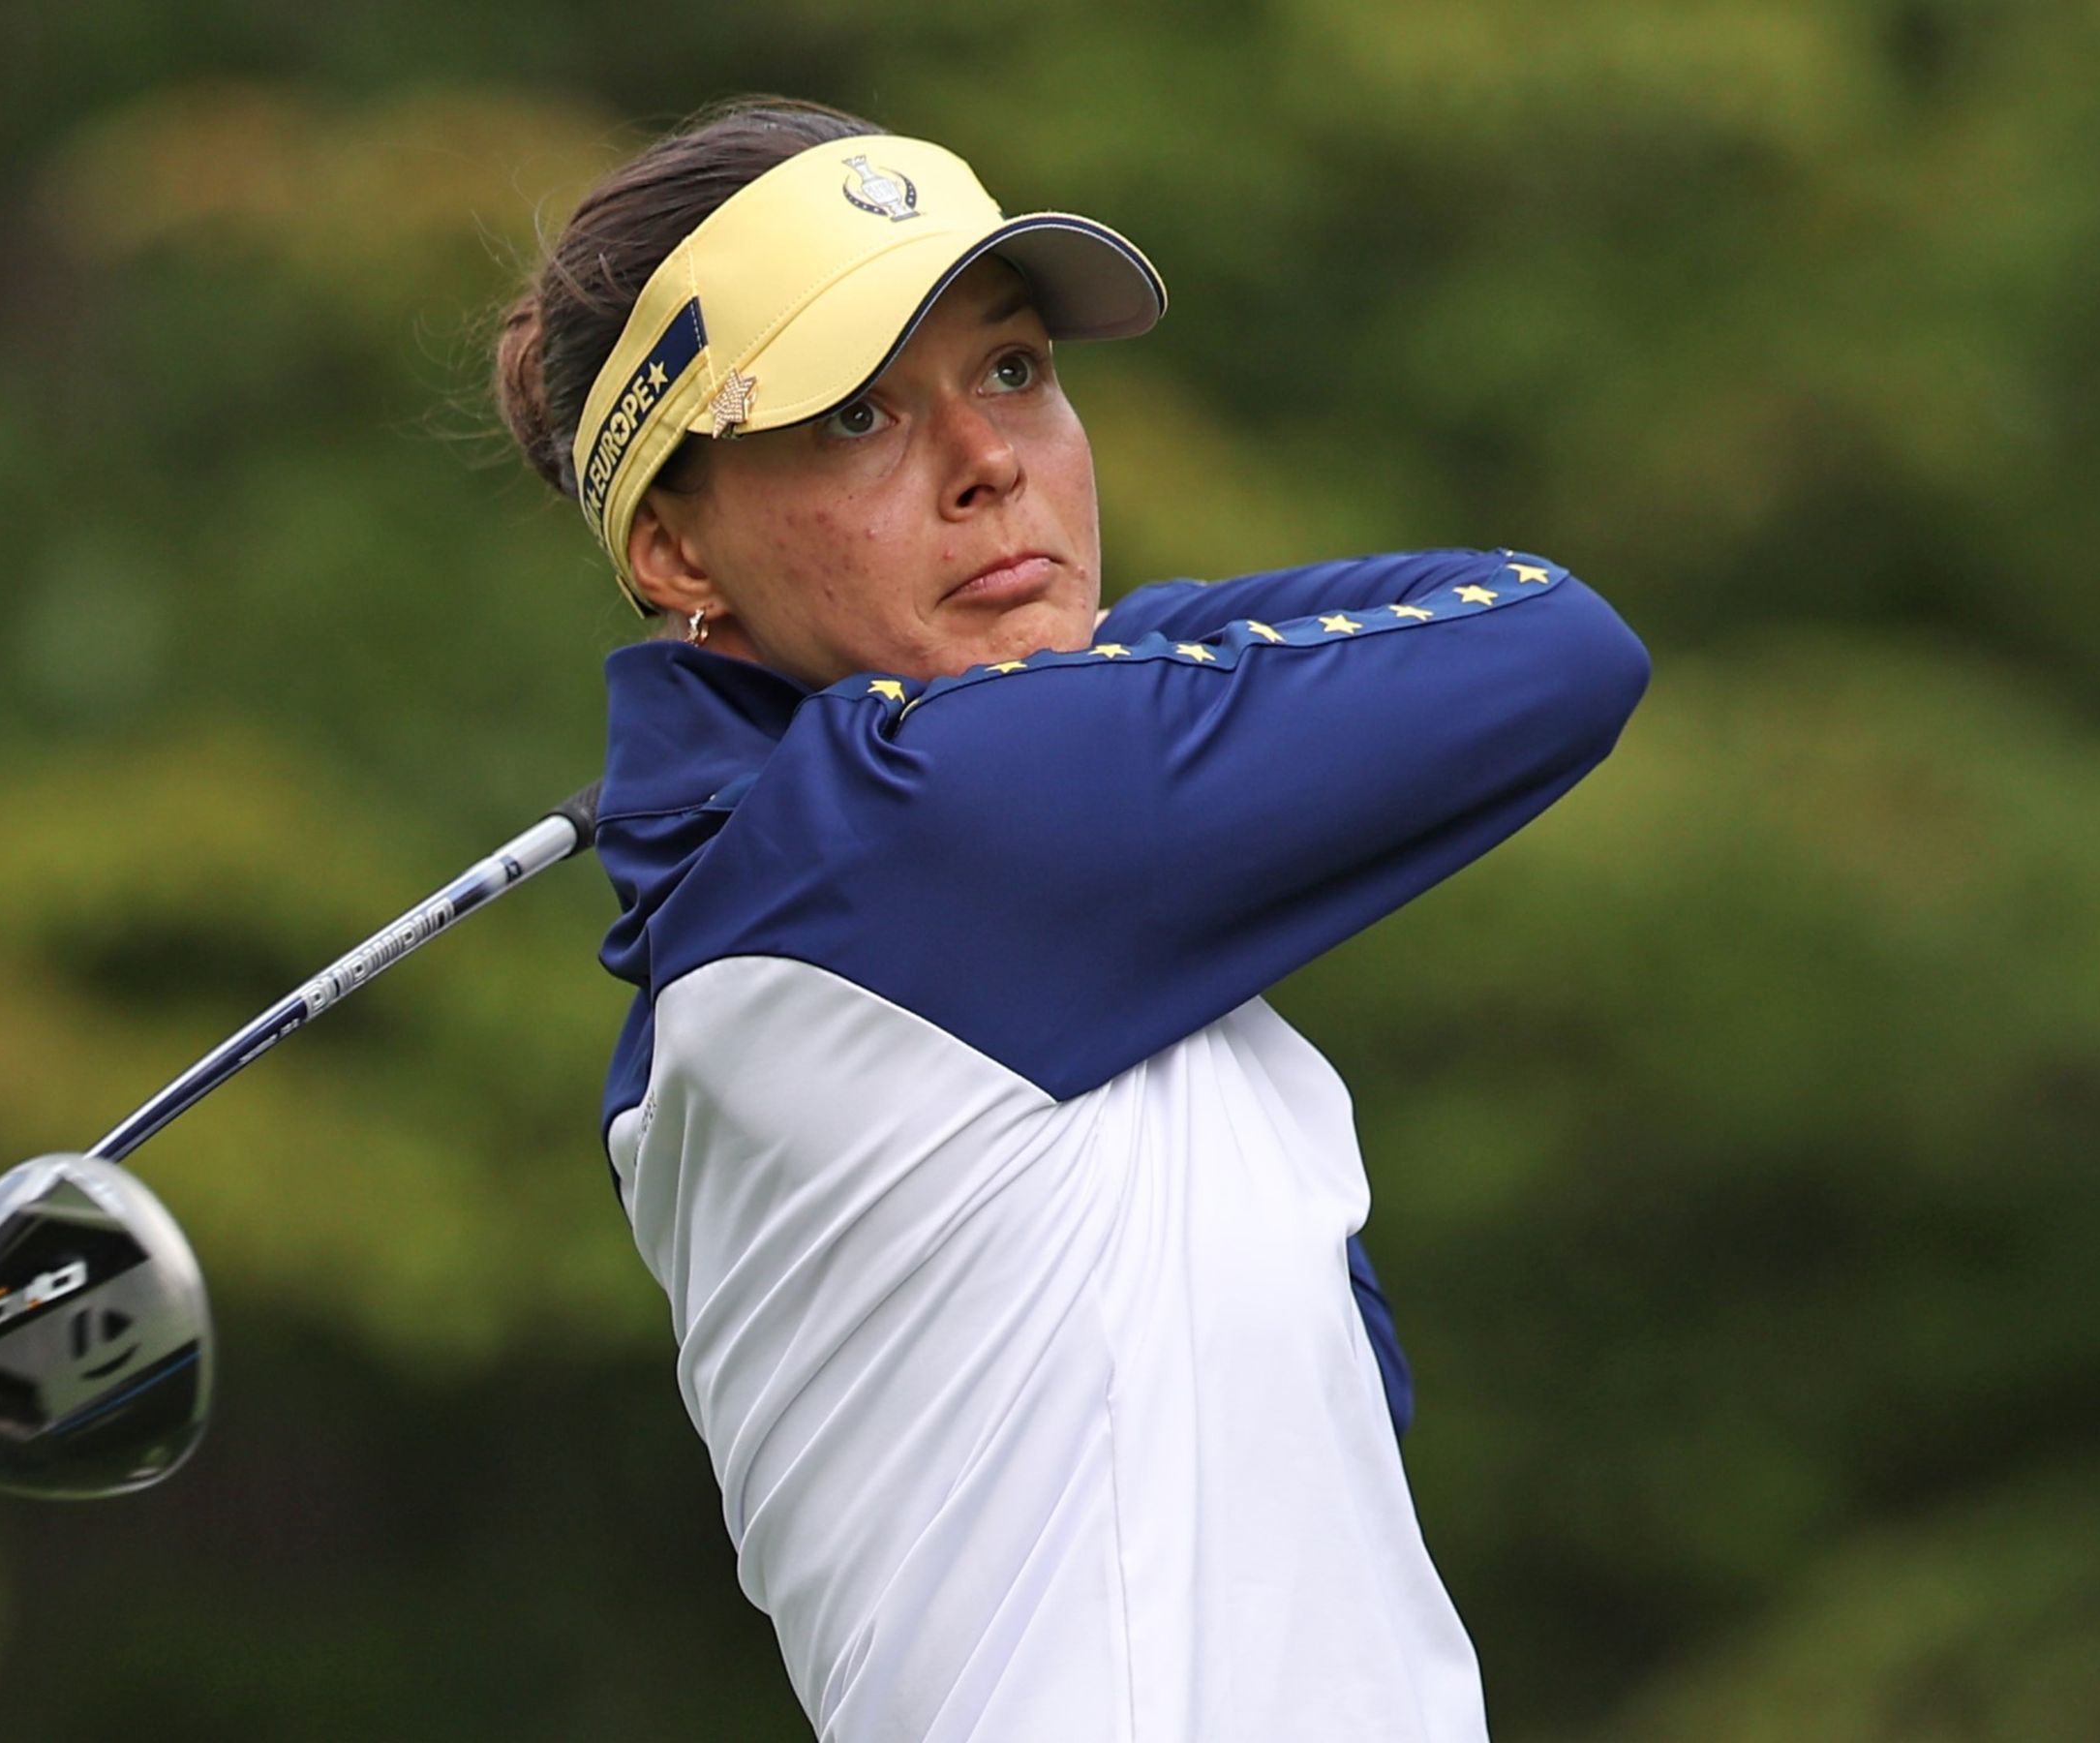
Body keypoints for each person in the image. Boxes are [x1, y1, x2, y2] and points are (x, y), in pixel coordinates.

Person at [491, 96, 1647, 1741]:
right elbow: (1552, 645)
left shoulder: (845, 889)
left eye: (1015, 370)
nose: (988, 466)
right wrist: (1122, 655)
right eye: (854, 417)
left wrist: (1098, 660)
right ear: (676, 545)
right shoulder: (920, 848)